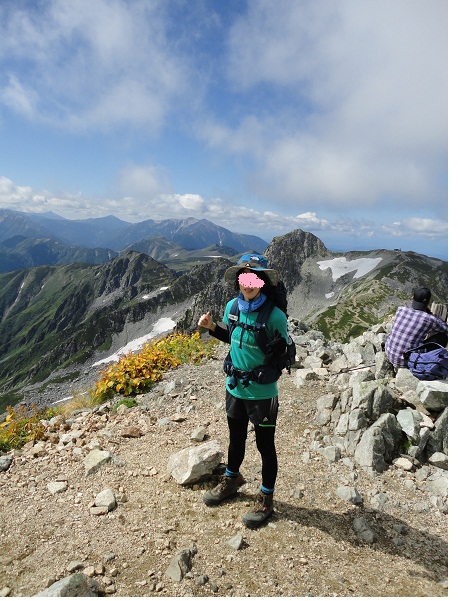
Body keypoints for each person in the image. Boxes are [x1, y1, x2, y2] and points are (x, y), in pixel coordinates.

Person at [197, 253, 288, 528]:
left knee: (265, 446)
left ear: (261, 282)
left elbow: (283, 355)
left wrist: (278, 353)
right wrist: (213, 327)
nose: (247, 284)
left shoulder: (276, 316)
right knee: (235, 439)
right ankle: (232, 478)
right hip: (234, 387)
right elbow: (232, 335)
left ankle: (266, 498)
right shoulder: (231, 308)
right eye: (243, 278)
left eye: (253, 278)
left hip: (262, 393)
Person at [384, 286, 448, 369]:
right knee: (442, 337)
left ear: (413, 298)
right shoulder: (429, 319)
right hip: (407, 361)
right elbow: (446, 329)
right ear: (428, 302)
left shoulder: (400, 309)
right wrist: (434, 316)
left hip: (390, 354)